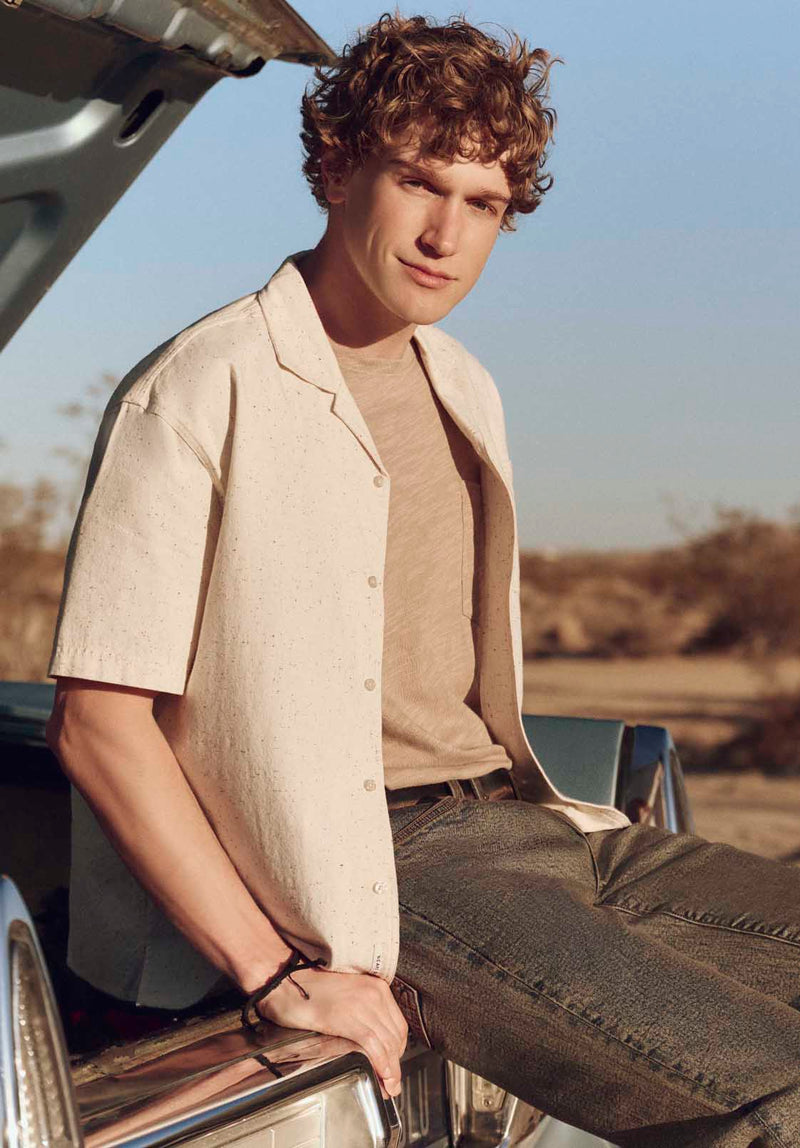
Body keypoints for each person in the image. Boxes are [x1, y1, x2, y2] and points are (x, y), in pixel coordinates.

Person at [46, 14, 800, 1146]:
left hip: (536, 826)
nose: (447, 233)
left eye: (483, 203)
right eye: (419, 182)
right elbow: (100, 722)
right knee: (773, 1090)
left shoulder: (462, 381)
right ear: (337, 167)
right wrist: (271, 972)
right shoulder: (202, 387)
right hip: (389, 868)